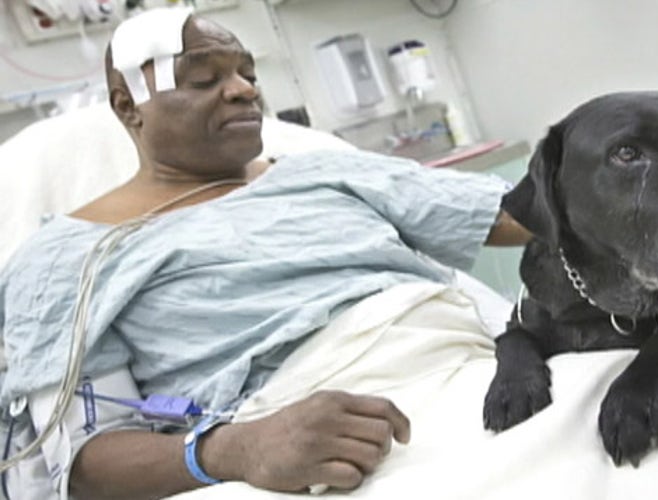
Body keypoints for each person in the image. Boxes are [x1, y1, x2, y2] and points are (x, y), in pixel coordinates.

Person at [0, 10, 530, 500]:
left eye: (248, 74)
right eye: (206, 80)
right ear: (126, 106)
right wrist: (234, 449)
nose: (242, 91)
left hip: (487, 370)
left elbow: (519, 216)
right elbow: (81, 463)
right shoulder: (70, 260)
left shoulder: (320, 169)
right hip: (318, 439)